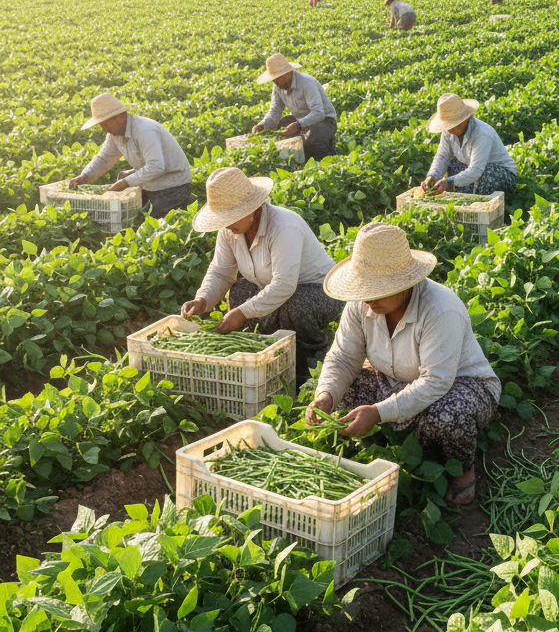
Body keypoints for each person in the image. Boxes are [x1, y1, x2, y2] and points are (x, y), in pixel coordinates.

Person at [306, 222, 501, 505]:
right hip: (394, 380)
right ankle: (397, 444)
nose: (369, 298)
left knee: (448, 415)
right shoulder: (362, 305)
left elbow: (436, 381)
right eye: (365, 289)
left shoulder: (440, 308)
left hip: (461, 386)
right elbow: (344, 357)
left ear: (405, 282)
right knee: (340, 392)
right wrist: (325, 395)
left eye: (378, 289)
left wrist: (377, 412)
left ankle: (463, 470)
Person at [182, 167, 339, 380]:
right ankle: (263, 348)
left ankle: (309, 358)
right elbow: (221, 271)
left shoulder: (284, 227)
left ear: (252, 209)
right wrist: (204, 299)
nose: (227, 225)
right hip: (271, 286)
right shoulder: (229, 231)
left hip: (317, 291)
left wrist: (242, 313)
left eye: (232, 217)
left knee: (295, 305)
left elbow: (284, 285)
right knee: (238, 292)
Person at [68, 93, 192, 219]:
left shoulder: (144, 130)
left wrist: (123, 184)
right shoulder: (114, 134)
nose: (104, 129)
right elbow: (104, 159)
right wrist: (85, 176)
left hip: (173, 184)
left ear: (120, 117)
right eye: (101, 125)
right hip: (150, 183)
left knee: (152, 221)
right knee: (128, 215)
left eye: (105, 124)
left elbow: (156, 166)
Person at [421, 93, 517, 195]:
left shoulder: (482, 134)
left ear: (464, 119)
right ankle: (461, 190)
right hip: (472, 167)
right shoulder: (448, 132)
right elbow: (442, 156)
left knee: (481, 176)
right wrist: (432, 176)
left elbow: (476, 170)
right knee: (452, 166)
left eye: (453, 124)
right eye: (448, 125)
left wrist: (449, 182)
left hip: (501, 172)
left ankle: (469, 195)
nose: (450, 129)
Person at [252, 53, 337, 161]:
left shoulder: (306, 83)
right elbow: (275, 110)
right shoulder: (278, 86)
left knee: (311, 143)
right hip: (302, 122)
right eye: (274, 80)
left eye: (279, 78)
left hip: (324, 120)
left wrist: (298, 125)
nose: (277, 82)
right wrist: (262, 125)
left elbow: (318, 113)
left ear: (288, 73)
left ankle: (327, 159)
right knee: (285, 136)